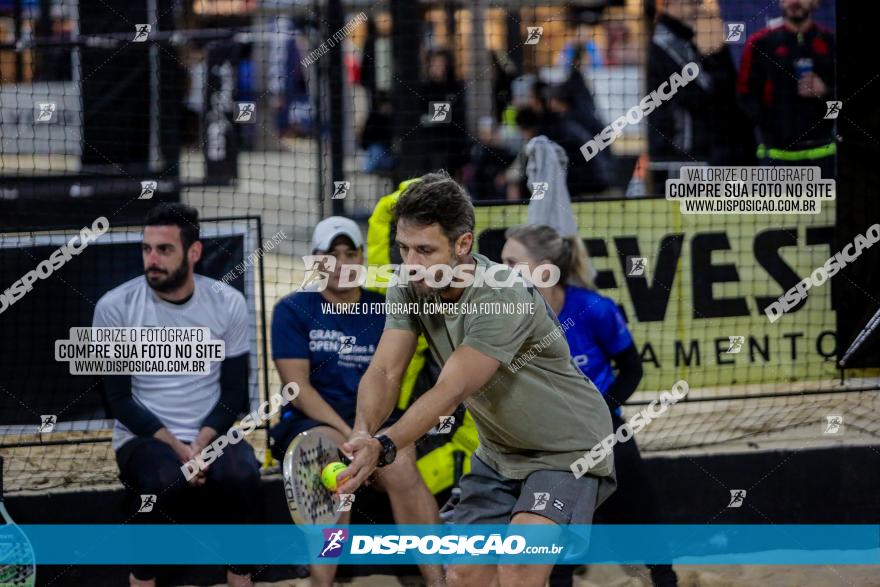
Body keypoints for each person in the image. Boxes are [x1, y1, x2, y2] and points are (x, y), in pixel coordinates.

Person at [337, 172, 616, 587]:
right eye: (404, 249)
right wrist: (363, 435)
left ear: (463, 244)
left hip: (566, 450)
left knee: (518, 567)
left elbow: (450, 391)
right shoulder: (410, 284)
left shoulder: (501, 296)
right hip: (499, 453)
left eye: (425, 251)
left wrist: (385, 446)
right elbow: (384, 370)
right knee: (464, 573)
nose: (411, 264)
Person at [269, 216, 443, 587]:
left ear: (363, 258)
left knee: (401, 467)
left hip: (377, 418)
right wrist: (353, 436)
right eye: (332, 254)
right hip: (315, 422)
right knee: (337, 466)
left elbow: (391, 377)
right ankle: (322, 581)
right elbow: (297, 389)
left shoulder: (385, 307)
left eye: (351, 253)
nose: (343, 262)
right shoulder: (293, 309)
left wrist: (369, 436)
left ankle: (438, 581)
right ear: (316, 260)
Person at [501, 224, 678, 587]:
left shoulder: (593, 309)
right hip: (545, 440)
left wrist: (598, 410)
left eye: (511, 261)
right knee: (552, 535)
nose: (501, 271)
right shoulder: (505, 318)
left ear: (545, 268)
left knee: (641, 518)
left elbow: (631, 368)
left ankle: (665, 580)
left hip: (603, 431)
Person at [93, 203, 259, 587]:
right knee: (163, 479)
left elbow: (234, 395)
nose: (152, 259)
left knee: (243, 473)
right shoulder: (113, 307)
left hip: (209, 434)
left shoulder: (228, 303)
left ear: (194, 252)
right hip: (145, 438)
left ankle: (241, 577)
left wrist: (201, 445)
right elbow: (116, 400)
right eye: (147, 249)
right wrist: (180, 451)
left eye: (164, 249)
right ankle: (142, 580)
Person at [738, 0, 836, 178]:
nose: (795, 2)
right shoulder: (760, 44)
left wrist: (826, 92)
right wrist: (771, 125)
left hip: (823, 156)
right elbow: (744, 95)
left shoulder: (831, 43)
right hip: (776, 158)